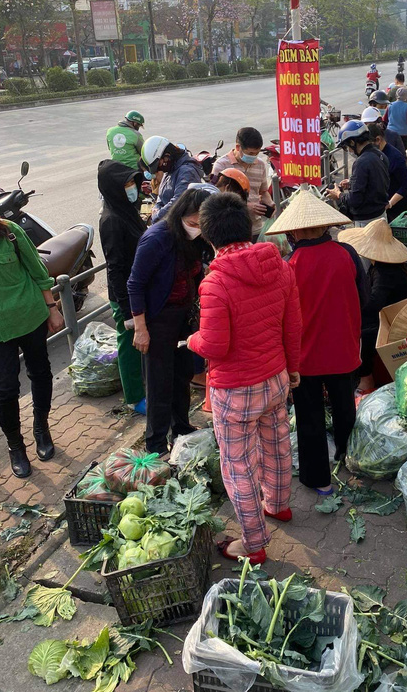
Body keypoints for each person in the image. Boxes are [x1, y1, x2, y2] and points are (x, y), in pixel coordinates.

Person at [188, 192, 302, 565]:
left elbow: (215, 346)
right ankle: (279, 506)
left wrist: (191, 340)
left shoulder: (215, 283)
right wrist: (294, 367)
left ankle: (253, 545)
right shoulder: (279, 265)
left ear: (208, 236)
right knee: (277, 445)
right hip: (275, 378)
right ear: (249, 226)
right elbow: (293, 325)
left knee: (238, 466)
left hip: (235, 390)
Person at [266, 188, 366, 494]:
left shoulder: (290, 265)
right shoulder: (346, 253)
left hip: (305, 355)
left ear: (294, 230)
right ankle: (350, 458)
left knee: (308, 417)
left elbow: (281, 316)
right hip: (343, 348)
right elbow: (363, 298)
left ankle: (318, 480)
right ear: (325, 225)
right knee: (344, 407)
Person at [127, 188, 212, 455]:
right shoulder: (157, 238)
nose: (197, 229)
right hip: (158, 319)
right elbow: (135, 284)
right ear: (181, 216)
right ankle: (155, 442)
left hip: (184, 316)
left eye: (201, 224)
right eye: (193, 223)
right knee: (159, 381)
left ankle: (181, 428)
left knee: (183, 374)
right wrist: (141, 328)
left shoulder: (197, 241)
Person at [0, 196, 64, 477]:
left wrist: (52, 308)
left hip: (29, 316)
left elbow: (37, 270)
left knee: (40, 372)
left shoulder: (9, 231)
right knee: (5, 389)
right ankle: (15, 446)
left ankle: (42, 428)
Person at [339, 219, 407, 396]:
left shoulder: (385, 272)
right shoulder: (382, 267)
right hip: (389, 315)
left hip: (393, 323)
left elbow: (373, 304)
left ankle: (366, 383)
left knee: (362, 335)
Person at [97, 160, 146, 415]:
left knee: (140, 341)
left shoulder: (127, 209)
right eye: (126, 184)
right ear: (113, 189)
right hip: (125, 295)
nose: (131, 188)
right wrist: (127, 311)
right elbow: (115, 267)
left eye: (132, 182)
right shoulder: (112, 221)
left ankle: (143, 384)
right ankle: (134, 397)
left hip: (138, 288)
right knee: (129, 342)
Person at [211, 127, 275, 238]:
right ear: (238, 147)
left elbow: (263, 192)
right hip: (231, 229)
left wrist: (270, 203)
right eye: (250, 153)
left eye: (257, 153)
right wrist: (245, 206)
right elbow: (215, 198)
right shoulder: (221, 166)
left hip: (255, 228)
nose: (253, 156)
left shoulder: (259, 164)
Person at [326, 120, 390, 227]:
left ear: (352, 142)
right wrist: (352, 183)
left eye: (347, 147)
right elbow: (375, 182)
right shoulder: (380, 155)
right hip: (381, 215)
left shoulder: (361, 162)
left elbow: (354, 200)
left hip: (367, 222)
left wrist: (338, 194)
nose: (349, 150)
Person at [141, 136, 204, 222]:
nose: (159, 169)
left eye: (159, 164)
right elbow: (161, 197)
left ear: (167, 156)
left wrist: (157, 216)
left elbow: (180, 201)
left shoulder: (186, 171)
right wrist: (156, 208)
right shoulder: (171, 170)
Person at [367, 121, 407, 221]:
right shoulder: (376, 154)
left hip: (398, 209)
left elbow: (406, 186)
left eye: (368, 144)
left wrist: (390, 203)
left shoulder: (395, 157)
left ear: (378, 140)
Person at [384, 87, 407, 151]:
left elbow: (385, 119)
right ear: (406, 96)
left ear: (397, 95)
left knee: (391, 151)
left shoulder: (390, 105)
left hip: (391, 132)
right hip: (403, 134)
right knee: (402, 152)